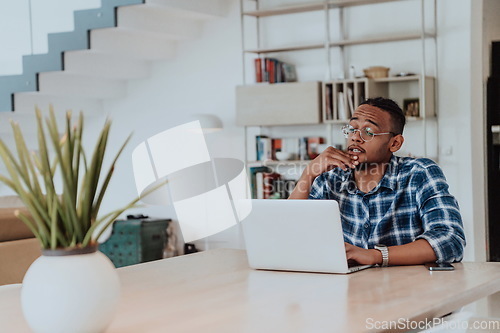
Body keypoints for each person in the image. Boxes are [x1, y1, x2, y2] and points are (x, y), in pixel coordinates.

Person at [289, 97, 465, 266]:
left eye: (368, 132)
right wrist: (308, 174)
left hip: (409, 289)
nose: (355, 137)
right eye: (352, 129)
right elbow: (289, 235)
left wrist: (376, 256)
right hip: (346, 290)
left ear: (395, 143)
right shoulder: (329, 178)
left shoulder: (419, 173)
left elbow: (450, 239)